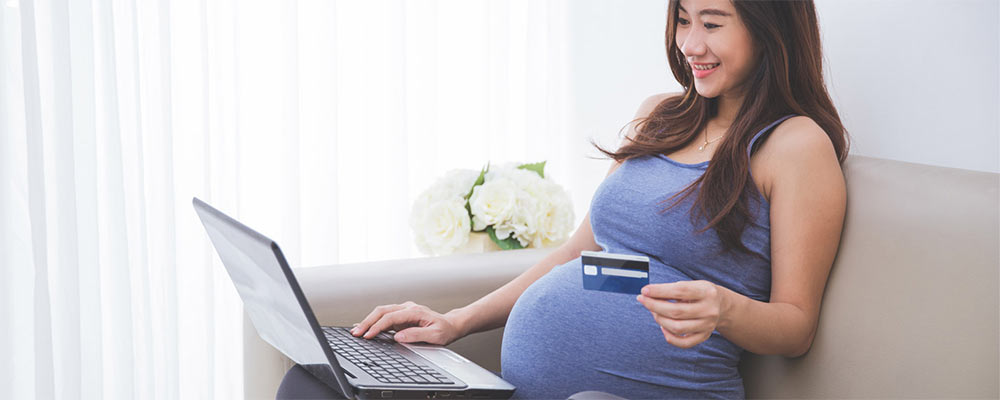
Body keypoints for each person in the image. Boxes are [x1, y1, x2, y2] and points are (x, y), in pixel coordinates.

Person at [279, 0, 848, 398]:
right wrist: (456, 322)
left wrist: (726, 309)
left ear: (769, 27)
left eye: (713, 24)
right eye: (681, 19)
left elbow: (796, 326)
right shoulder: (662, 115)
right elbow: (577, 255)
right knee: (312, 382)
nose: (690, 43)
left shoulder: (793, 145)